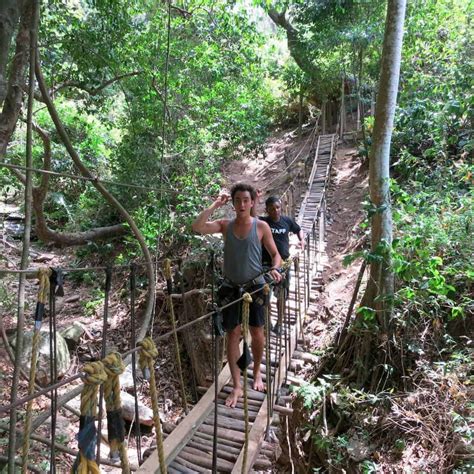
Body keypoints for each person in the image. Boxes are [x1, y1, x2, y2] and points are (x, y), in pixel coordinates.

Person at [192, 183, 282, 408]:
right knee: (232, 334)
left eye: (245, 200)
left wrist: (275, 268)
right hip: (231, 288)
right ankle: (237, 384)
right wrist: (215, 204)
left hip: (255, 286)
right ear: (233, 204)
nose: (241, 204)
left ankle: (257, 373)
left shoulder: (261, 227)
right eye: (237, 200)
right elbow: (197, 227)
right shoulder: (225, 225)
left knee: (257, 333)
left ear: (252, 202)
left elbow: (275, 254)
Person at [259, 196, 304, 334]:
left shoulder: (287, 221)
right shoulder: (263, 222)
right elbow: (249, 217)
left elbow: (298, 229)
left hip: (283, 265)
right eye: (272, 209)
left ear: (281, 207)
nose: (275, 211)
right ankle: (267, 322)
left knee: (282, 295)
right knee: (265, 295)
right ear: (267, 210)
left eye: (277, 207)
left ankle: (279, 323)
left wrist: (302, 240)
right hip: (266, 265)